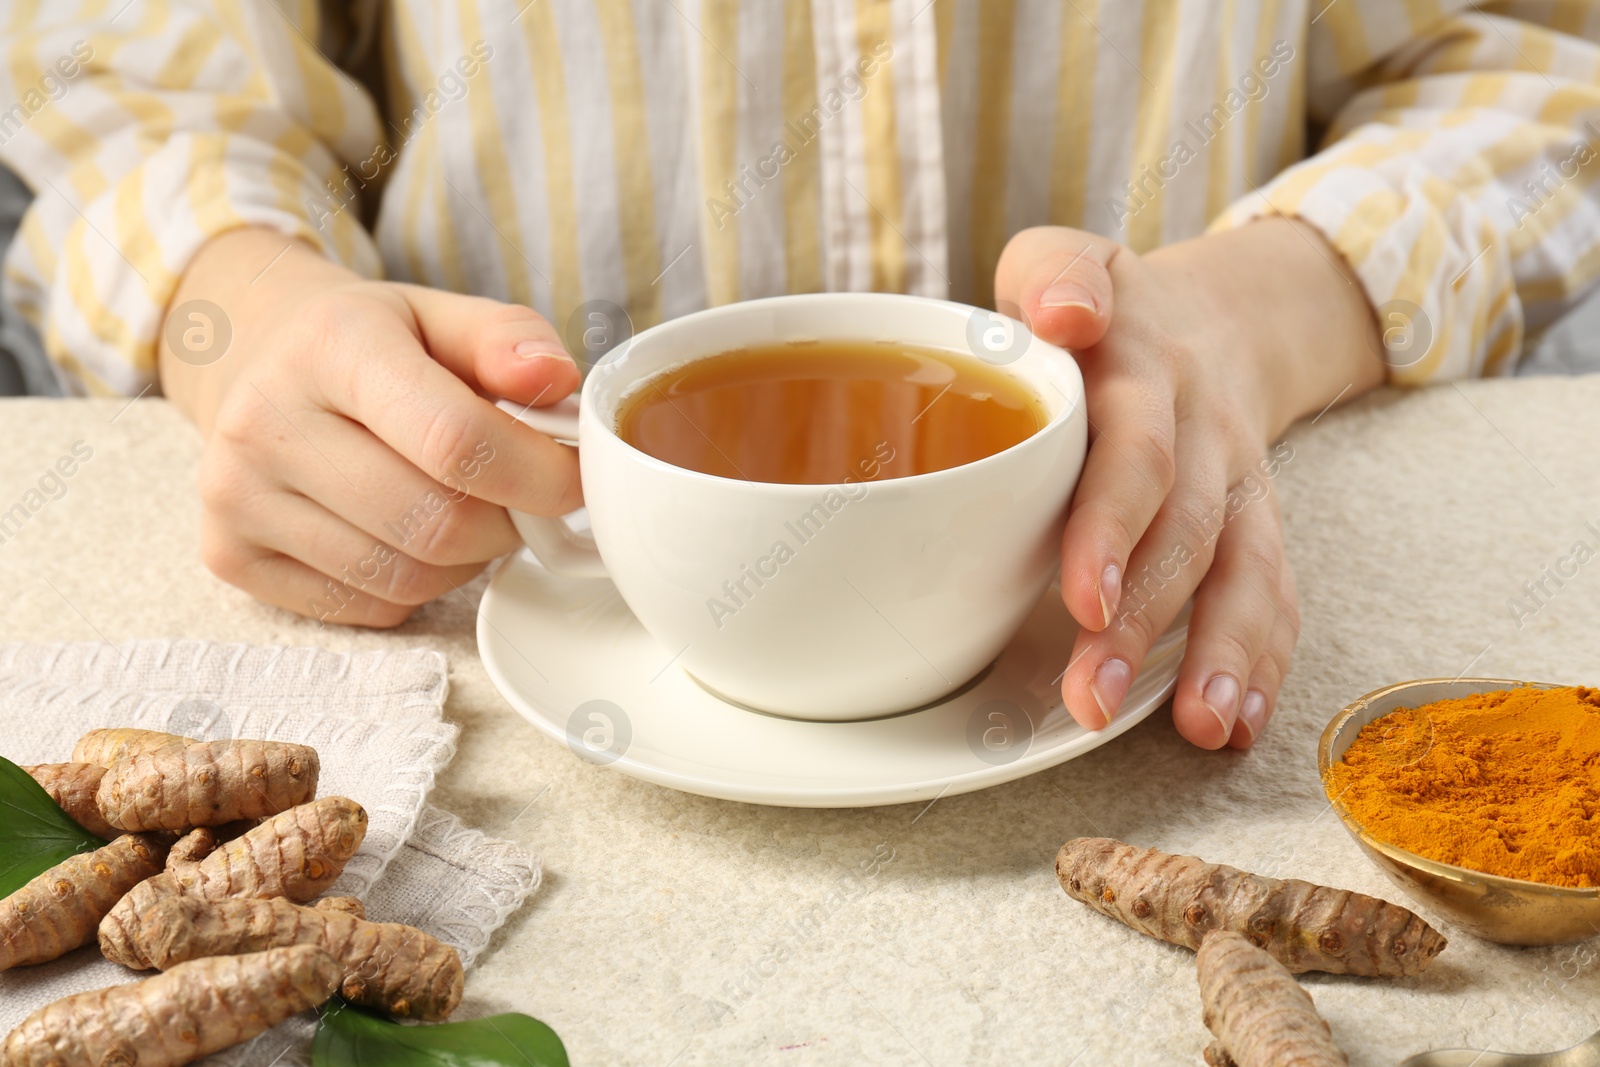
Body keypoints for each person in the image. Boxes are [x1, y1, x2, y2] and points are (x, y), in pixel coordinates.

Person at [3, 1, 1598, 752]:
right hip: (474, 701)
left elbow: (1531, 62)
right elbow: (135, 102)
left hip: (1135, 646)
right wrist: (248, 312)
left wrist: (1247, 328)